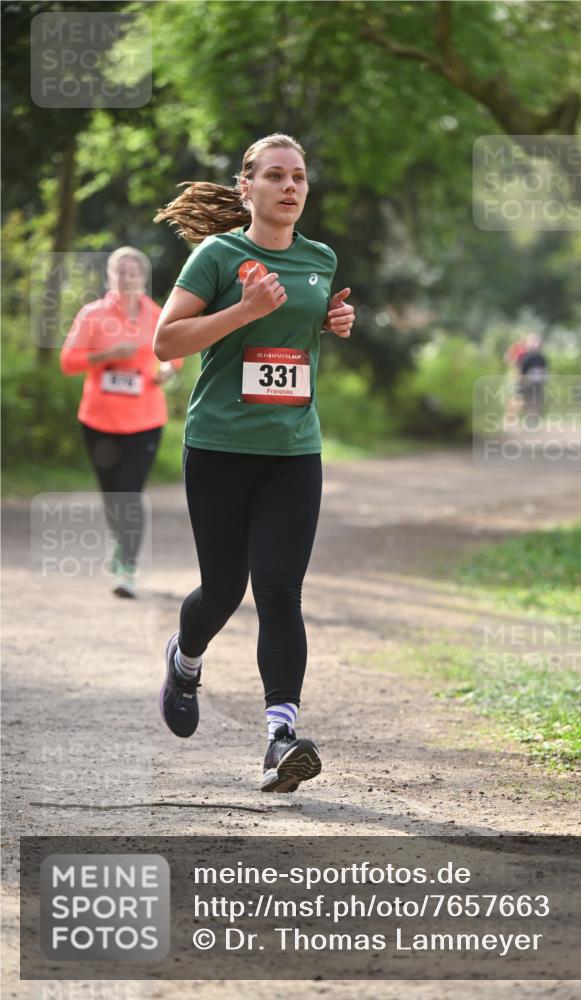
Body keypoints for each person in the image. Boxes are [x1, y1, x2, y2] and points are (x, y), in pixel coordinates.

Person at [152, 133, 355, 793]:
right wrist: (243, 310)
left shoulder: (319, 258)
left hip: (292, 451)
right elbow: (166, 341)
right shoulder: (218, 254)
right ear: (247, 189)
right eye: (275, 175)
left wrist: (330, 320)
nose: (290, 186)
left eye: (298, 176)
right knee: (222, 591)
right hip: (218, 446)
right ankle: (185, 661)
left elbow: (293, 328)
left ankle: (279, 737)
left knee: (278, 590)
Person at [60, 247, 183, 598]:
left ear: (143, 277)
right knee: (112, 495)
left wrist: (166, 372)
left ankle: (128, 566)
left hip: (145, 420)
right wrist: (108, 355)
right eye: (120, 271)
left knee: (129, 493)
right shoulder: (93, 315)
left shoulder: (158, 315)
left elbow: (175, 358)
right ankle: (119, 544)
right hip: (99, 420)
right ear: (110, 277)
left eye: (133, 272)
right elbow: (68, 361)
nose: (127, 277)